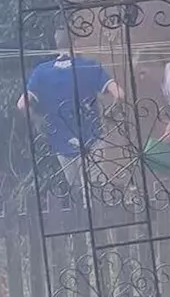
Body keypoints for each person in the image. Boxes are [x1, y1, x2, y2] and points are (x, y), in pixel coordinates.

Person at [17, 27, 123, 192]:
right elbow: (120, 95)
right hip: (92, 137)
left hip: (61, 140)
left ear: (56, 45)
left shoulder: (41, 72)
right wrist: (112, 111)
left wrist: (38, 121)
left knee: (76, 190)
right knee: (95, 190)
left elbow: (22, 104)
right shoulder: (90, 67)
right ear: (75, 43)